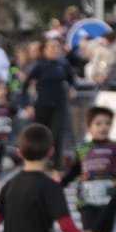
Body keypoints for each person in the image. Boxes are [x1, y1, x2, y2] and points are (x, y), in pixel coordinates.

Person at [22, 36, 77, 170]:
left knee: (57, 135)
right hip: (42, 105)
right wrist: (28, 105)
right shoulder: (39, 65)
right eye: (51, 47)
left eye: (57, 47)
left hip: (59, 105)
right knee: (42, 135)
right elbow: (24, 86)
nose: (55, 50)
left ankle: (56, 167)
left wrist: (72, 88)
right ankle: (41, 162)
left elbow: (72, 80)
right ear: (44, 50)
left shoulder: (63, 64)